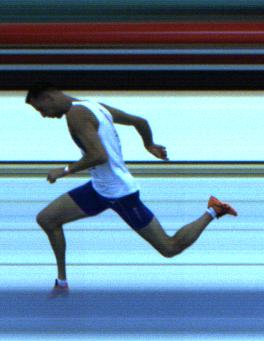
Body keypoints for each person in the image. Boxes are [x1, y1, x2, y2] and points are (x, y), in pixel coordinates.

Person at [26, 83, 237, 297]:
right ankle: (62, 284)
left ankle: (213, 210)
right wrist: (149, 145)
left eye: (40, 109)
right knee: (47, 219)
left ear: (49, 97)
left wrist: (64, 171)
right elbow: (139, 121)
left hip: (120, 194)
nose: (43, 115)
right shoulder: (93, 105)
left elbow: (99, 155)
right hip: (99, 189)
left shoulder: (76, 115)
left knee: (169, 247)